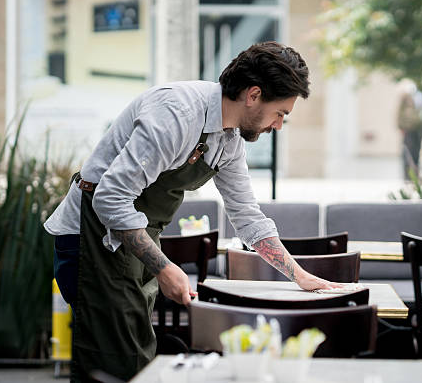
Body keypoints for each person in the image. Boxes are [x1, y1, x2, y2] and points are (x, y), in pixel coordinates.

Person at [44, 41, 341, 381]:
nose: (278, 126)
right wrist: (164, 267)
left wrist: (299, 275)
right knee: (116, 363)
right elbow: (110, 198)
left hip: (134, 244)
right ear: (254, 95)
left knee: (137, 359)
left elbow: (247, 217)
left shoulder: (229, 141)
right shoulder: (177, 114)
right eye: (281, 113)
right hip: (91, 241)